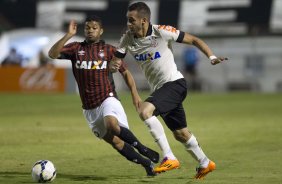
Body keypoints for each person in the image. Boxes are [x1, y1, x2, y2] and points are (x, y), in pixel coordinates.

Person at [110, 2, 228, 179]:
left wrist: (211, 57)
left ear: (144, 20)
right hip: (161, 90)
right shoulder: (127, 38)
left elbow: (194, 40)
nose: (128, 24)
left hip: (175, 84)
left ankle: (169, 157)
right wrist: (114, 65)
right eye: (127, 20)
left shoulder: (161, 31)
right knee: (181, 134)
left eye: (131, 20)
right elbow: (116, 60)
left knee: (145, 111)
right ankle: (205, 163)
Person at [48, 15, 160, 176]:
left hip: (108, 98)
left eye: (94, 28)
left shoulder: (109, 50)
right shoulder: (75, 48)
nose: (90, 31)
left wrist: (135, 96)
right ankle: (146, 164)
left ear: (101, 31)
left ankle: (142, 148)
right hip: (89, 108)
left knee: (112, 125)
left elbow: (126, 73)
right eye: (87, 28)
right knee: (116, 142)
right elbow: (52, 54)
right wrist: (68, 35)